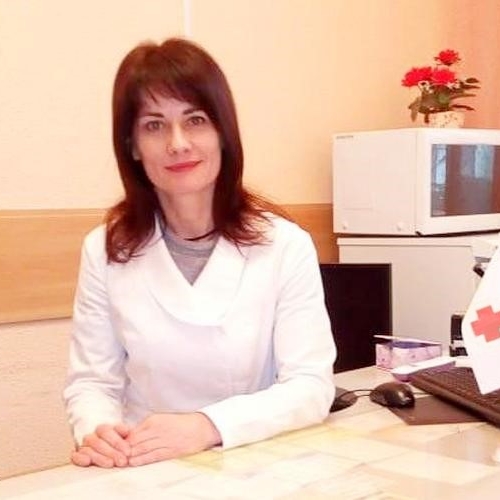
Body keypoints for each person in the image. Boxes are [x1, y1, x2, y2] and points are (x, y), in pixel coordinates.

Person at [63, 37, 336, 469]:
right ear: (132, 146)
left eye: (195, 120)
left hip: (256, 462)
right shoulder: (104, 250)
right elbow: (92, 383)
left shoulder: (284, 245)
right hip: (144, 466)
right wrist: (99, 433)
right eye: (154, 125)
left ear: (222, 134)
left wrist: (208, 425)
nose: (178, 143)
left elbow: (310, 387)